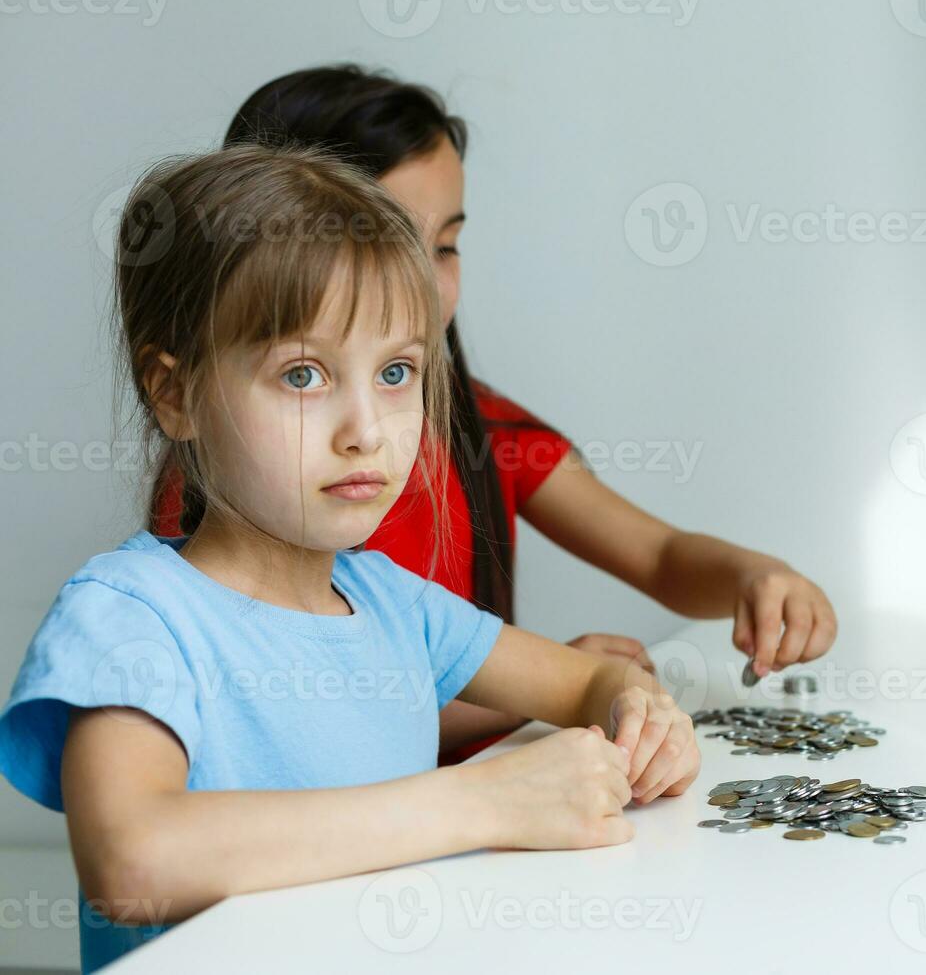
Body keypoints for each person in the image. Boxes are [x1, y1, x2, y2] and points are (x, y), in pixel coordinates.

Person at [0, 145, 699, 973]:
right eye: (303, 375)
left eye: (396, 371)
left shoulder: (394, 604)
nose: (365, 428)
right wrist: (480, 800)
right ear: (175, 394)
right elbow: (134, 863)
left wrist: (643, 715)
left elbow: (588, 680)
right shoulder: (130, 615)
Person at [150, 65, 839, 764]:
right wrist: (530, 689)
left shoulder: (483, 437)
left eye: (443, 246)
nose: (413, 281)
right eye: (302, 375)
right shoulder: (218, 499)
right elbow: (284, 721)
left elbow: (660, 555)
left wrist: (757, 575)